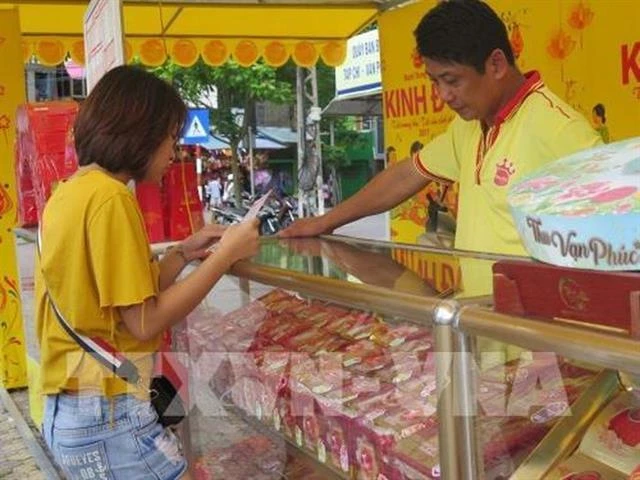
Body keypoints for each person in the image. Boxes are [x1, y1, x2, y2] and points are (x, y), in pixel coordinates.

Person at [35, 66, 259, 480]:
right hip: (109, 415)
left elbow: (116, 301)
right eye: (171, 138)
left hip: (72, 408)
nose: (173, 152)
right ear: (140, 133)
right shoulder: (111, 199)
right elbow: (144, 320)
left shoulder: (70, 193)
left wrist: (181, 253)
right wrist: (224, 257)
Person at [280, 0, 601, 262]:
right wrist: (325, 222)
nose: (443, 96)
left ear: (497, 65)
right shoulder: (468, 128)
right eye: (435, 82)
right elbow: (405, 176)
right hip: (479, 325)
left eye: (452, 80)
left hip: (532, 336)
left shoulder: (560, 130)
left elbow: (605, 239)